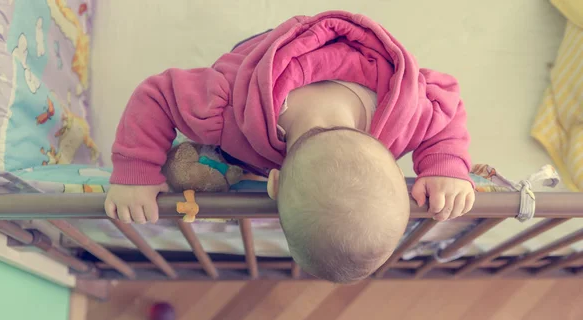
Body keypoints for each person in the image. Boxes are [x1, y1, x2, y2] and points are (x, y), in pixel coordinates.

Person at [105, 11, 475, 283]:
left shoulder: (408, 113)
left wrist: (443, 165)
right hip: (262, 57)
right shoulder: (228, 106)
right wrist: (135, 171)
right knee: (238, 62)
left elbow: (448, 105)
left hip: (357, 66)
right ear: (273, 183)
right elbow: (157, 94)